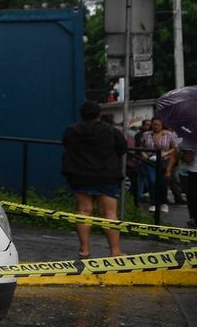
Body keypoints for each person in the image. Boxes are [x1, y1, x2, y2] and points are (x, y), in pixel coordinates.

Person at [61, 100, 127, 257]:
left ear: (82, 115)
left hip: (80, 175)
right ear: (99, 114)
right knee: (109, 214)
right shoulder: (111, 131)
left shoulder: (72, 130)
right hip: (106, 175)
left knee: (83, 211)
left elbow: (66, 145)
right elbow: (123, 148)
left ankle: (84, 248)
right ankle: (115, 250)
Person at [138, 117, 177, 213]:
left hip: (164, 161)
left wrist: (166, 153)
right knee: (152, 181)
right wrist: (144, 154)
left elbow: (175, 147)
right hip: (150, 161)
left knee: (163, 183)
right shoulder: (146, 134)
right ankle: (153, 203)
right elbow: (141, 147)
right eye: (154, 124)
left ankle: (163, 203)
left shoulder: (168, 134)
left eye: (158, 125)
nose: (156, 127)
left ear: (162, 125)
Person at [178, 136, 197, 228]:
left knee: (192, 196)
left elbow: (189, 159)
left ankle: (193, 218)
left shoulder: (188, 139)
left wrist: (180, 154)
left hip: (194, 172)